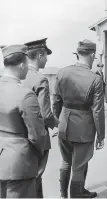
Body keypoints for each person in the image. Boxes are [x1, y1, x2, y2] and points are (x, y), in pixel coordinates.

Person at [53, 39, 105, 198]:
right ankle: (77, 195)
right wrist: (101, 135)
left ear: (77, 54)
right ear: (92, 55)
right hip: (84, 128)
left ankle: (64, 194)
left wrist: (58, 122)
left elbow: (55, 101)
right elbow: (97, 111)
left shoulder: (62, 72)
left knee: (67, 162)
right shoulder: (95, 78)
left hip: (64, 123)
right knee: (79, 165)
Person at [0, 44, 46, 198]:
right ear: (21, 65)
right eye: (27, 64)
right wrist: (41, 156)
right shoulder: (25, 94)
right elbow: (37, 135)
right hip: (19, 164)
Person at [21, 38, 59, 198]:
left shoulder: (17, 77)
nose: (47, 59)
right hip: (36, 137)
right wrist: (58, 124)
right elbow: (45, 114)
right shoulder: (40, 79)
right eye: (46, 56)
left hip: (16, 135)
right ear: (40, 56)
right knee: (36, 176)